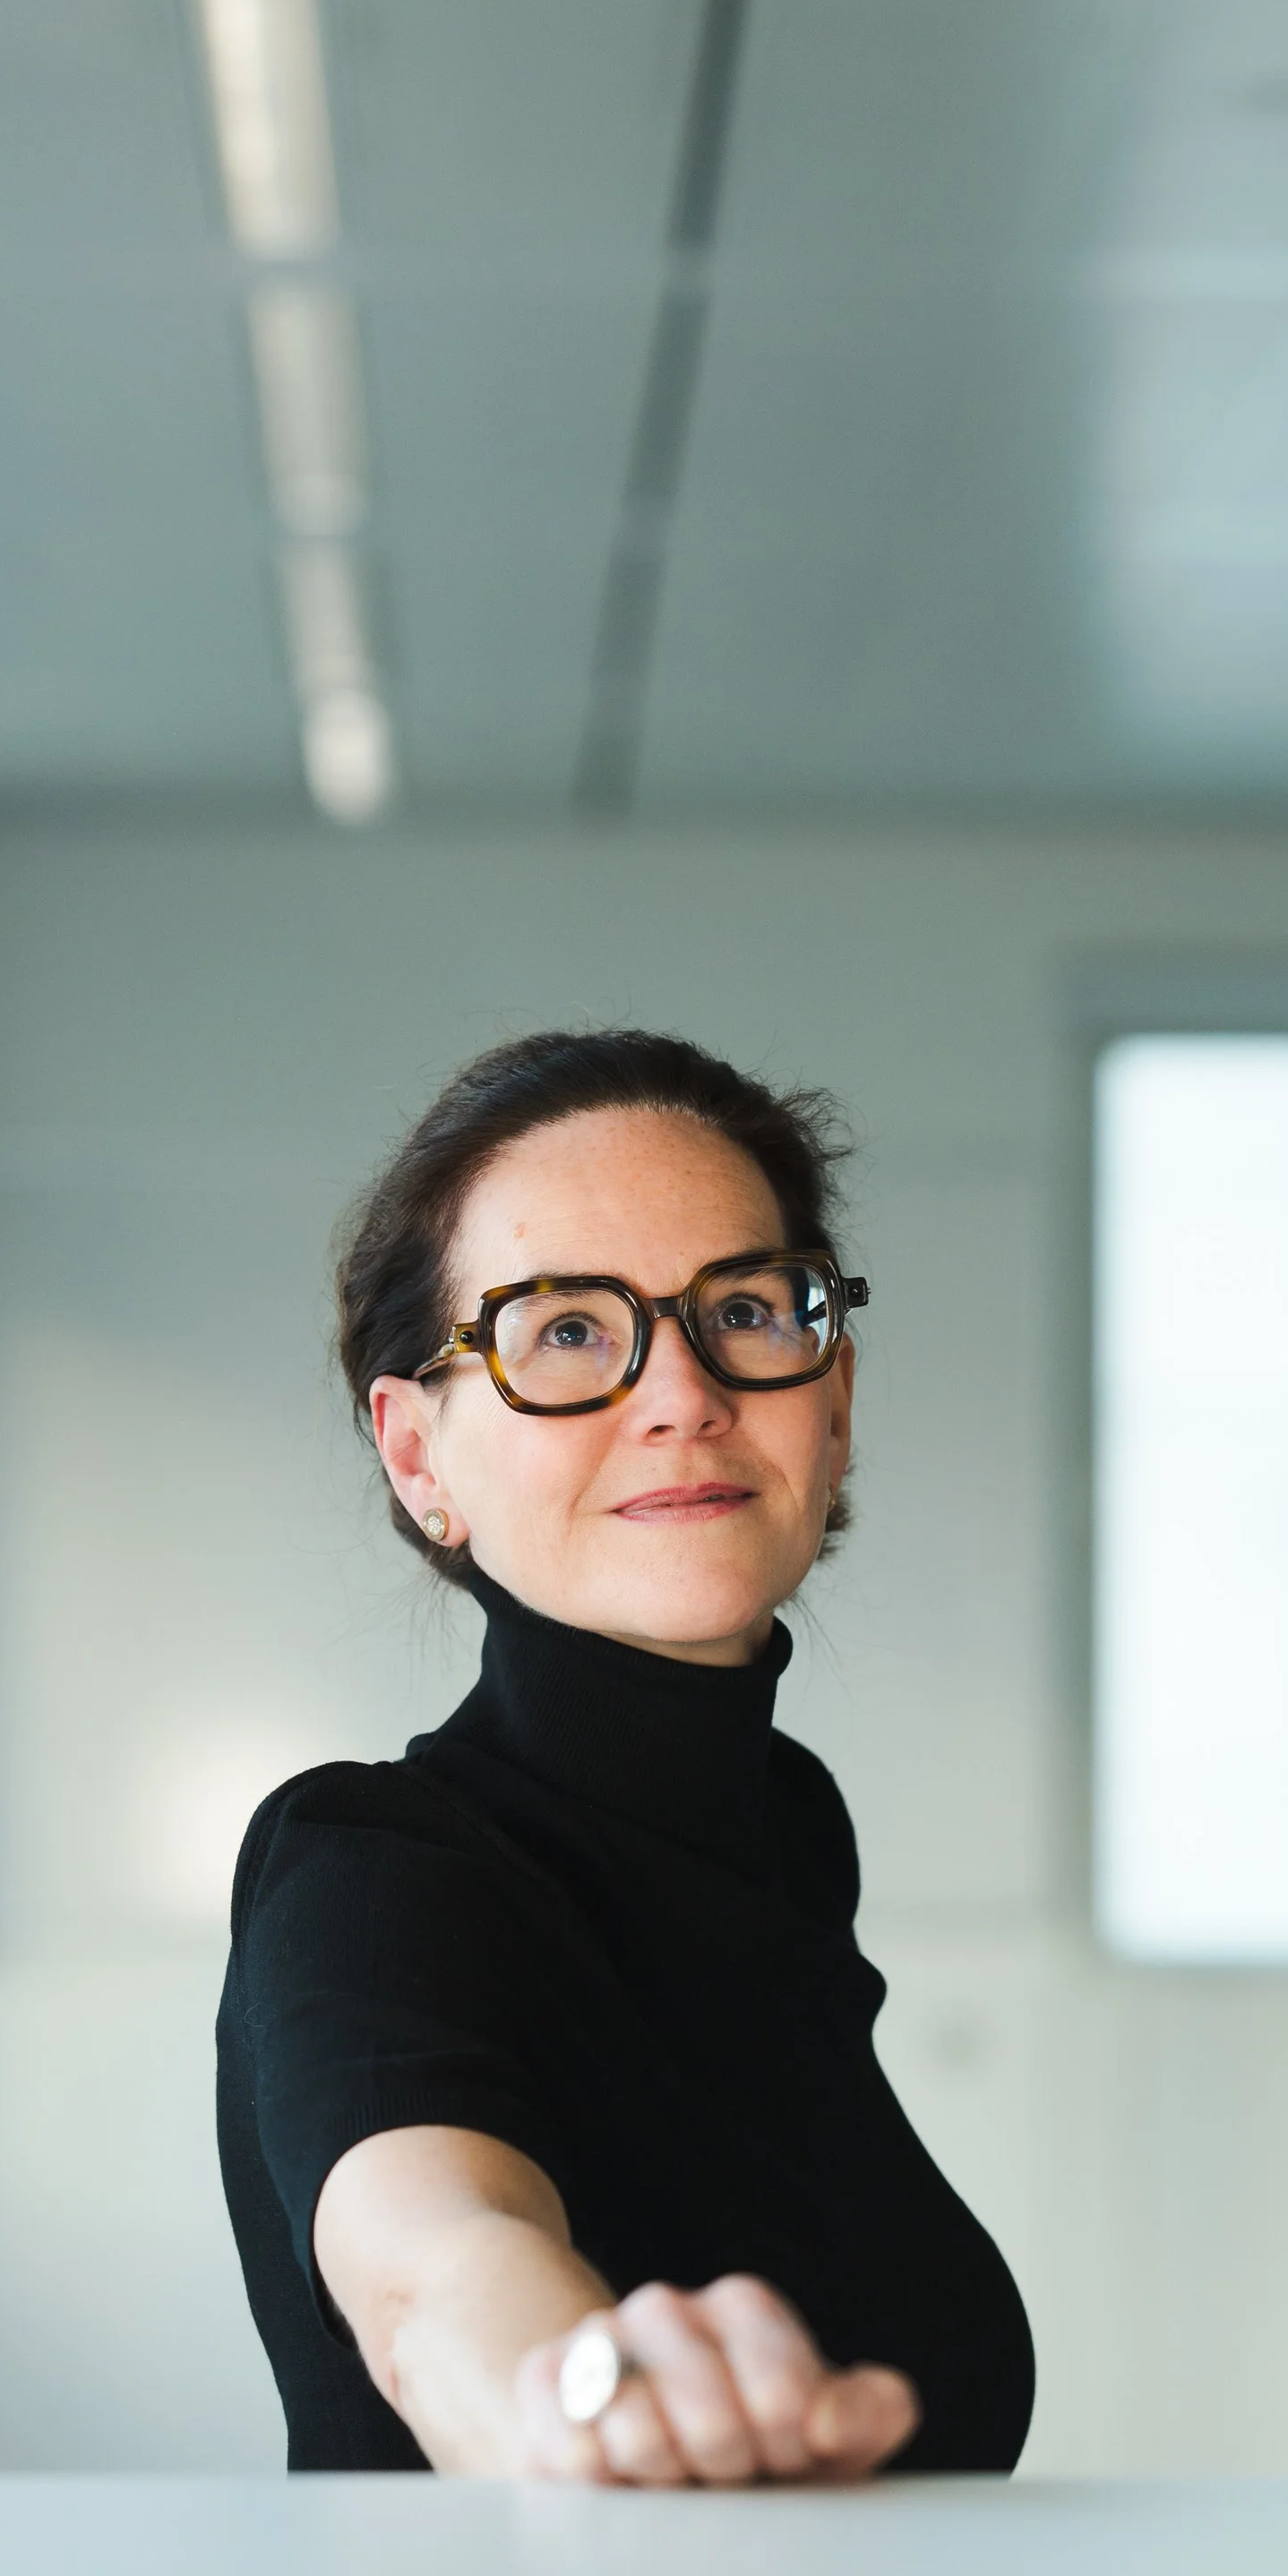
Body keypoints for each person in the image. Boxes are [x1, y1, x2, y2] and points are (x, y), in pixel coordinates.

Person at [217, 1029, 1035, 2480]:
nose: (683, 1394)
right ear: (419, 1458)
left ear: (832, 1403)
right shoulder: (369, 1870)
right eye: (569, 1330)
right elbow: (436, 2274)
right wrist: (587, 2391)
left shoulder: (788, 1835)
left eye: (748, 1309)